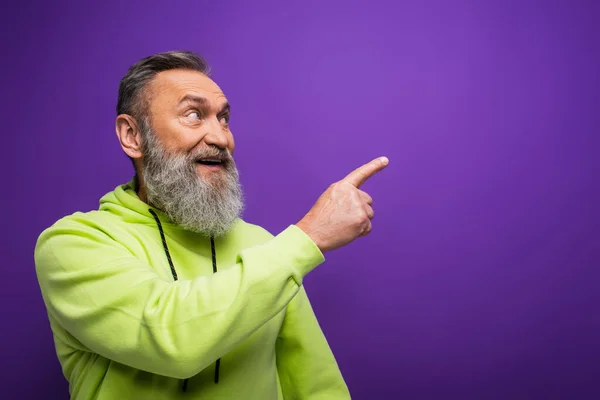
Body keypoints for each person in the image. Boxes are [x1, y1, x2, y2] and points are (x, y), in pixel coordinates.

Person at [34, 50, 388, 400]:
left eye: (224, 119)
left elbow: (313, 384)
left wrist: (295, 246)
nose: (220, 138)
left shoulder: (263, 245)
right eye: (194, 115)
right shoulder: (74, 244)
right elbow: (170, 341)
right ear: (132, 135)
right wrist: (309, 236)